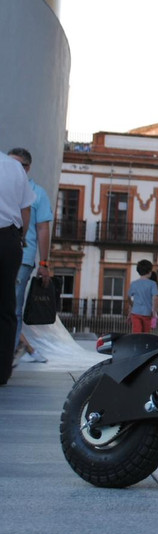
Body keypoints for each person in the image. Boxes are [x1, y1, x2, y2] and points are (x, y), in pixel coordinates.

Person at [8, 149, 52, 367]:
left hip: (23, 256)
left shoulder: (37, 193)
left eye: (18, 165)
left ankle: (10, 352)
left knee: (13, 306)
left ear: (27, 168)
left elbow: (43, 228)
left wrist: (44, 263)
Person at [0, 153, 35, 386]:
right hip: (7, 239)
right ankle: (2, 371)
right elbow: (25, 211)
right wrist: (18, 238)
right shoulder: (13, 167)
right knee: (5, 306)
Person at [127, 259, 158, 334]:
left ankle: (136, 345)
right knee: (146, 334)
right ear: (149, 271)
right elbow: (155, 298)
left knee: (136, 334)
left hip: (135, 312)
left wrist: (131, 307)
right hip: (147, 313)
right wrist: (154, 312)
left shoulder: (134, 283)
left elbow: (129, 297)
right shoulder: (152, 284)